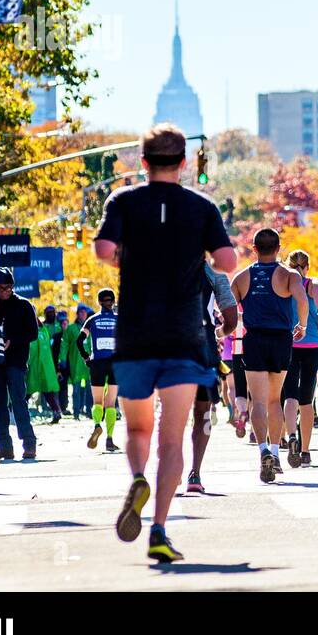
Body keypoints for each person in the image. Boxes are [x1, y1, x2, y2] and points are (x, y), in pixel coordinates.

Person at [94, 123, 237, 562]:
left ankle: (137, 476)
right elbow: (227, 261)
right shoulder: (201, 206)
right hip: (183, 335)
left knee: (138, 427)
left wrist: (126, 256)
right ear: (183, 162)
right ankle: (158, 528)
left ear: (142, 161)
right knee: (172, 439)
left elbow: (102, 249)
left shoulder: (123, 201)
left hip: (135, 333)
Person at [230, 228, 307, 483]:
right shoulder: (289, 275)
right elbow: (302, 301)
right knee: (275, 399)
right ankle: (275, 451)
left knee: (258, 401)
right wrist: (303, 325)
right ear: (279, 248)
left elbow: (230, 310)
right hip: (280, 339)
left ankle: (262, 449)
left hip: (254, 338)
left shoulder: (241, 278)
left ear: (254, 248)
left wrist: (226, 330)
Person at [187, 262, 238, 494]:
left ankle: (171, 466)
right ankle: (195, 473)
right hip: (202, 346)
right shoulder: (215, 273)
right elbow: (231, 319)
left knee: (169, 413)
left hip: (169, 346)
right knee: (202, 413)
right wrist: (219, 334)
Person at [0, 268, 39, 462]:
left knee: (18, 402)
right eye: (0, 288)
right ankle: (4, 446)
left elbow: (33, 333)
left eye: (8, 287)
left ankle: (29, 444)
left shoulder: (24, 305)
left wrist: (12, 341)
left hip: (15, 362)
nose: (4, 291)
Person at [283, 250, 318, 467]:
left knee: (290, 395)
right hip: (311, 345)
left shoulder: (285, 285)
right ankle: (306, 451)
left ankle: (291, 436)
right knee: (307, 398)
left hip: (289, 344)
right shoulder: (313, 285)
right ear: (306, 266)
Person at [79, 289, 121, 453]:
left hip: (97, 363)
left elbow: (79, 341)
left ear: (99, 302)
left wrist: (86, 357)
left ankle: (97, 425)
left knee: (97, 402)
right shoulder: (119, 320)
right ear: (113, 301)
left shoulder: (92, 320)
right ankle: (109, 440)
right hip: (114, 363)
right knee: (110, 403)